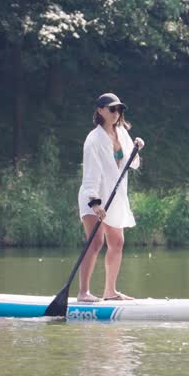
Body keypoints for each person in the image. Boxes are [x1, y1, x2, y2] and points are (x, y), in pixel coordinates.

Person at [76, 92, 144, 302]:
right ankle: (83, 293)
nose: (116, 113)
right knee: (95, 242)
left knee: (117, 242)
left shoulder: (121, 132)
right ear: (100, 110)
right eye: (112, 109)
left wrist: (135, 148)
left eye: (119, 109)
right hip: (93, 196)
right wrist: (95, 203)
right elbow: (90, 174)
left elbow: (134, 164)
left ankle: (110, 291)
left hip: (114, 197)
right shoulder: (93, 139)